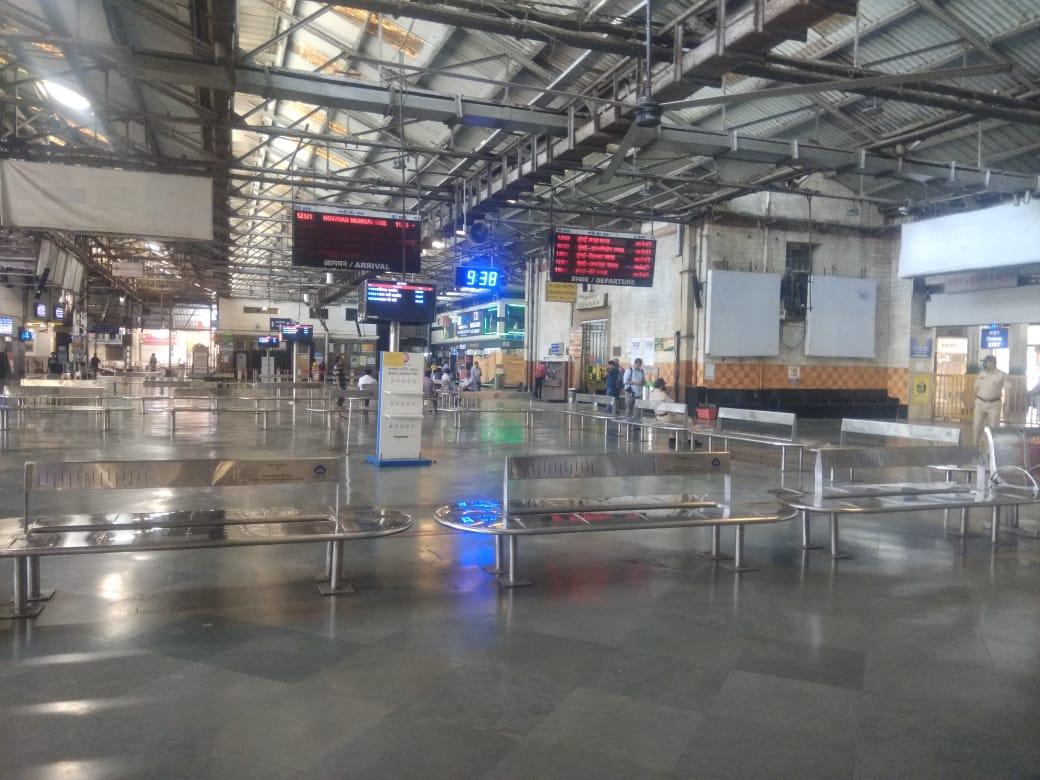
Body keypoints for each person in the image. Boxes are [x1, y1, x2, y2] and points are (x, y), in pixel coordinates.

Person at [973, 354, 1006, 447]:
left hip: (994, 404)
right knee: (977, 425)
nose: (984, 364)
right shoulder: (981, 373)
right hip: (980, 403)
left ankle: (992, 448)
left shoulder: (1001, 374)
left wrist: (1008, 403)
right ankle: (975, 446)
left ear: (992, 363)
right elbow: (975, 387)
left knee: (994, 427)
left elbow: (1008, 388)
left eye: (986, 362)